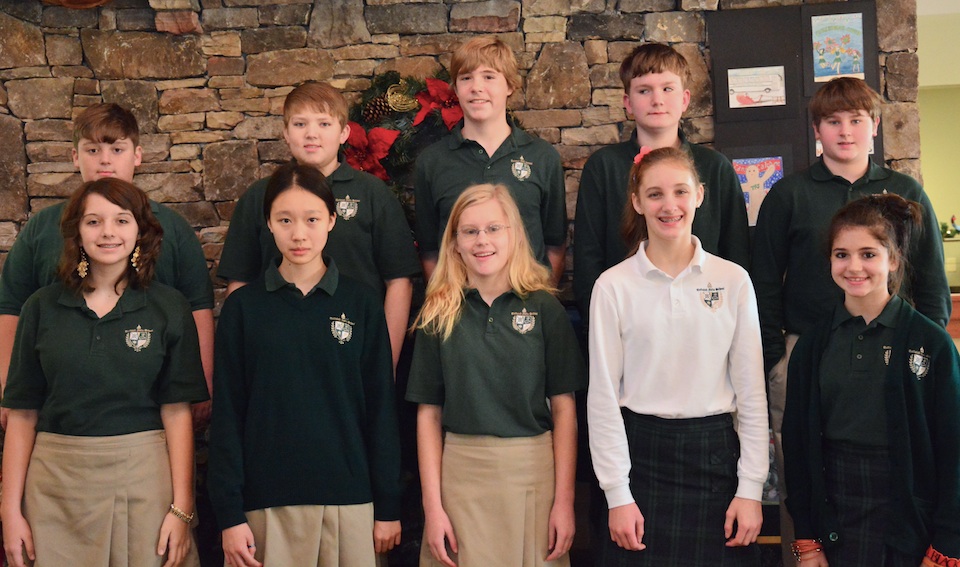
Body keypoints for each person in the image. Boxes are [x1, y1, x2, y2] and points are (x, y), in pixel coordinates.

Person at [751, 76, 951, 566]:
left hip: (896, 351)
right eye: (833, 121)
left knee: (907, 463)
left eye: (856, 120)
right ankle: (807, 554)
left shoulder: (906, 192)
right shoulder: (789, 194)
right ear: (816, 130)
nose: (845, 131)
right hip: (807, 354)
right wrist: (777, 360)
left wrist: (924, 352)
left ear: (875, 126)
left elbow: (931, 282)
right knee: (804, 467)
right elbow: (764, 283)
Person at [1, 178, 208, 567]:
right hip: (53, 490)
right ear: (77, 232)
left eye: (122, 220)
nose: (108, 232)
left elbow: (177, 412)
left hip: (145, 484)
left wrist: (182, 509)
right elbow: (22, 414)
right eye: (93, 221)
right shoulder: (40, 308)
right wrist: (10, 512)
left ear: (140, 231)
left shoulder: (169, 307)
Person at [208, 162, 402, 567]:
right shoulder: (244, 309)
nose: (299, 234)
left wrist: (388, 506)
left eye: (312, 219)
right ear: (268, 223)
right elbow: (227, 415)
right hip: (264, 505)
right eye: (285, 220)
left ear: (331, 220)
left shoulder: (362, 303)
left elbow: (382, 409)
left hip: (349, 501)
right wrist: (229, 515)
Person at [587, 147, 767, 565]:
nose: (669, 205)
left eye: (680, 191)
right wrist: (617, 493)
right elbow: (603, 399)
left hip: (716, 457)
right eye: (655, 194)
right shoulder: (612, 286)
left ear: (699, 195)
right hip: (641, 460)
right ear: (637, 201)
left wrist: (751, 489)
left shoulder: (734, 280)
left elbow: (752, 394)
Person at [0, 103, 215, 428]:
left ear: (137, 155)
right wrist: (9, 386)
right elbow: (11, 307)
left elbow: (197, 307)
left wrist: (203, 382)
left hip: (152, 408)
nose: (105, 160)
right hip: (57, 407)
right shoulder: (41, 228)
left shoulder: (173, 228)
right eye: (92, 149)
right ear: (75, 157)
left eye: (116, 149)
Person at [406, 184, 585, 567]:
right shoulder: (438, 314)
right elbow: (428, 416)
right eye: (470, 231)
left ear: (514, 234)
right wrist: (432, 509)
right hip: (459, 477)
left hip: (533, 476)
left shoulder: (545, 310)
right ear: (454, 243)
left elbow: (565, 411)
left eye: (493, 229)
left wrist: (564, 502)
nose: (482, 240)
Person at [782, 194, 960, 566]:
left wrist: (947, 545)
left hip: (911, 520)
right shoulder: (812, 346)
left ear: (893, 259)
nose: (854, 267)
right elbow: (797, 448)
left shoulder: (931, 343)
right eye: (841, 254)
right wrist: (807, 538)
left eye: (868, 254)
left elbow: (953, 447)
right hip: (835, 516)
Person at [217, 81, 419, 370]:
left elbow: (398, 281)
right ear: (286, 133)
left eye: (324, 123)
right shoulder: (260, 196)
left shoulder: (373, 194)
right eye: (300, 124)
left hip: (354, 347)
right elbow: (240, 280)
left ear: (344, 132)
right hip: (277, 351)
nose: (311, 133)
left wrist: (385, 364)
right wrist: (240, 360)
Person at [574, 42, 749, 324]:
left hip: (706, 319)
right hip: (627, 319)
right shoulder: (603, 167)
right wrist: (599, 323)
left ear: (685, 99)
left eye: (667, 89)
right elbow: (587, 258)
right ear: (627, 102)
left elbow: (736, 253)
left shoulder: (715, 167)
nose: (657, 100)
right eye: (644, 91)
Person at [414, 37, 567, 284]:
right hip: (459, 301)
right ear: (456, 89)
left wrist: (541, 300)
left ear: (510, 85)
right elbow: (430, 251)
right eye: (466, 78)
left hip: (526, 299)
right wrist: (443, 300)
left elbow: (554, 244)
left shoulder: (542, 157)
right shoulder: (431, 162)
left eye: (488, 77)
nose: (476, 87)